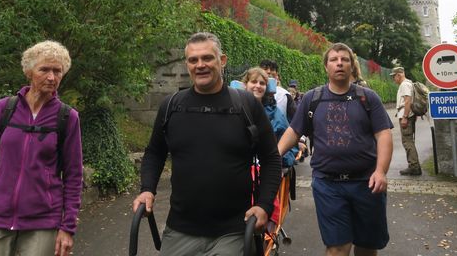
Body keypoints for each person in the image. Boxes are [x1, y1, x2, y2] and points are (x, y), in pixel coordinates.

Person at [133, 32, 281, 255]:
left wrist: (264, 205)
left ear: (222, 61)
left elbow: (271, 159)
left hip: (234, 230)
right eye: (193, 60)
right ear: (187, 64)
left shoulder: (246, 105)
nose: (200, 65)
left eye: (207, 58)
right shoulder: (171, 106)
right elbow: (155, 152)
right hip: (179, 230)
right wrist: (147, 189)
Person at [0, 41, 83, 256]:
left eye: (57, 71)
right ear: (29, 72)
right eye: (44, 70)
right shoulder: (4, 109)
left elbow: (74, 176)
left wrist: (67, 228)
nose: (51, 77)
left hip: (43, 222)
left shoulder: (67, 118)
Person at [278, 42, 393, 256]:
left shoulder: (368, 98)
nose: (339, 63)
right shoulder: (312, 99)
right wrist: (274, 155)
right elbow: (293, 132)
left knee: (367, 246)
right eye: (334, 59)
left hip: (366, 183)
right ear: (326, 67)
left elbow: (383, 135)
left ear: (352, 66)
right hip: (328, 184)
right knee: (338, 247)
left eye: (345, 59)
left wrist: (380, 171)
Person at [242, 67, 298, 168]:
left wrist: (276, 158)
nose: (258, 86)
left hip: (267, 172)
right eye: (254, 82)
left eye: (262, 83)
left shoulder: (277, 115)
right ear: (245, 85)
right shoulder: (234, 109)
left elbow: (291, 149)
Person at [391, 66, 422, 176]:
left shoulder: (404, 85)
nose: (393, 79)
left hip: (406, 116)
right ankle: (414, 165)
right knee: (409, 141)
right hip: (410, 115)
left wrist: (405, 117)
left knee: (407, 141)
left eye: (394, 76)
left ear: (399, 75)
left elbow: (407, 101)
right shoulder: (409, 83)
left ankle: (414, 167)